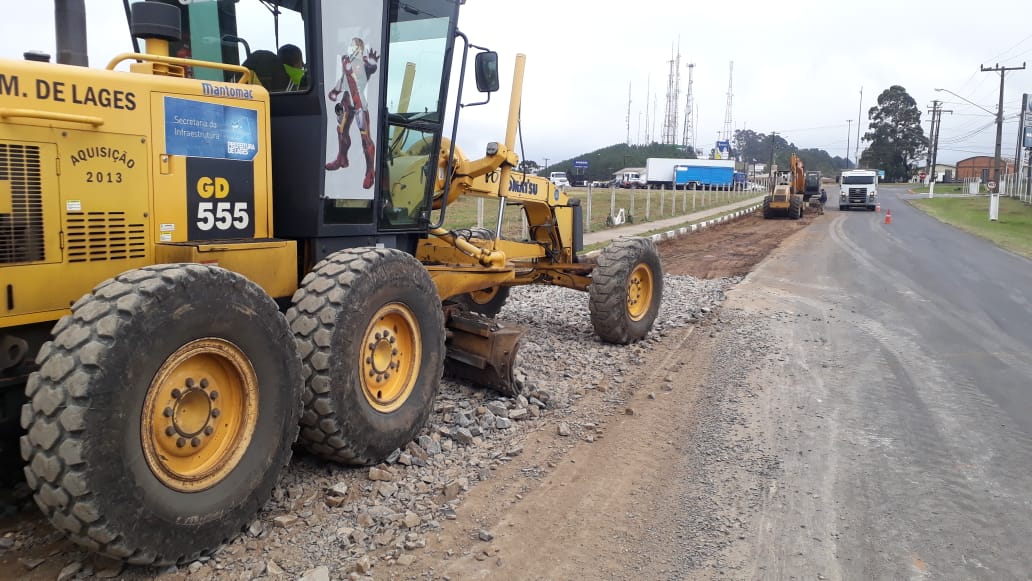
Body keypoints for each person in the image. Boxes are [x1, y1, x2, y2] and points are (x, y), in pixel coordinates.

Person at [325, 37, 379, 189]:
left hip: (360, 104)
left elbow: (371, 69)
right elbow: (344, 78)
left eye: (355, 46)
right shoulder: (346, 61)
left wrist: (373, 63)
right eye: (351, 46)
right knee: (341, 131)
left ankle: (370, 172)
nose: (352, 48)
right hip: (347, 102)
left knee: (365, 139)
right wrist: (335, 91)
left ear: (360, 49)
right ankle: (342, 158)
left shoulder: (363, 63)